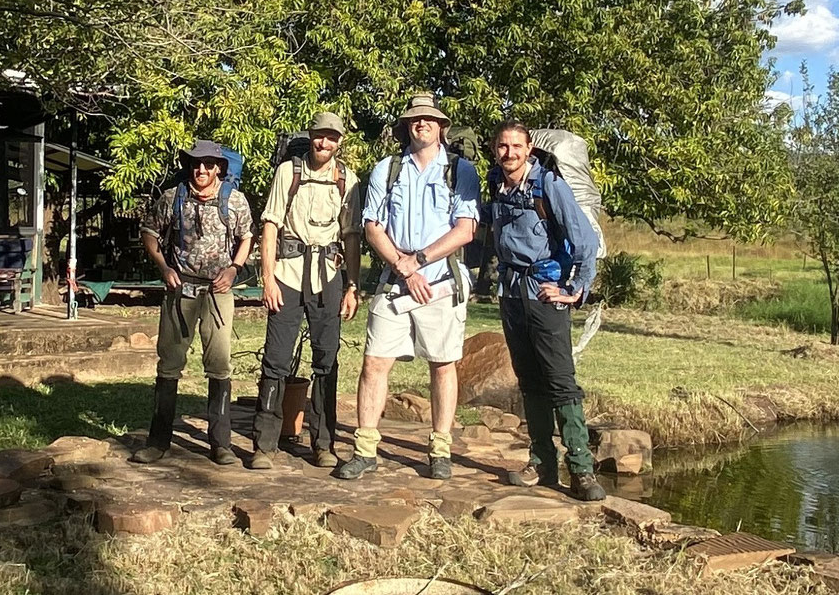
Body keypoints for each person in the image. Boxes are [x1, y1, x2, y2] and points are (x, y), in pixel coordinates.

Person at [335, 92, 481, 482]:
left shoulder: (460, 171)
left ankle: (440, 449)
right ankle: (365, 449)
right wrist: (404, 267)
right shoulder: (387, 169)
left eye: (429, 120)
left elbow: (465, 230)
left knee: (443, 365)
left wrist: (419, 262)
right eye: (415, 120)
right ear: (407, 127)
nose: (422, 124)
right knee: (374, 363)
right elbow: (372, 225)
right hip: (396, 281)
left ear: (441, 127)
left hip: (441, 283)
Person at [483, 120, 605, 500]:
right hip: (511, 292)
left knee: (560, 379)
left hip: (544, 293)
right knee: (529, 379)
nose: (510, 153)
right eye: (503, 146)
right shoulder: (496, 184)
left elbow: (583, 239)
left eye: (517, 146)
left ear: (530, 148)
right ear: (494, 148)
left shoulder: (547, 184)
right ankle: (541, 462)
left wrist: (575, 290)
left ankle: (582, 470)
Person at [247, 111, 362, 470]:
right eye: (318, 135)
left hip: (328, 277)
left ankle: (324, 443)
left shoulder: (348, 180)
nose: (323, 143)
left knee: (326, 361)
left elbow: (352, 236)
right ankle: (264, 445)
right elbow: (270, 225)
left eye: (331, 137)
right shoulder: (289, 172)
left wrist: (352, 287)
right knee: (276, 360)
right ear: (311, 136)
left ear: (340, 142)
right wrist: (267, 278)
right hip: (288, 274)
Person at [131, 139, 254, 465]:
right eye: (195, 164)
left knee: (219, 365)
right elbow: (149, 233)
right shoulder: (173, 198)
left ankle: (221, 444)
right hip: (180, 290)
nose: (201, 170)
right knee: (169, 365)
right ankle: (157, 443)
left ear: (219, 168)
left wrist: (234, 269)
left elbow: (246, 237)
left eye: (208, 164)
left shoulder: (235, 201)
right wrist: (164, 267)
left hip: (218, 293)